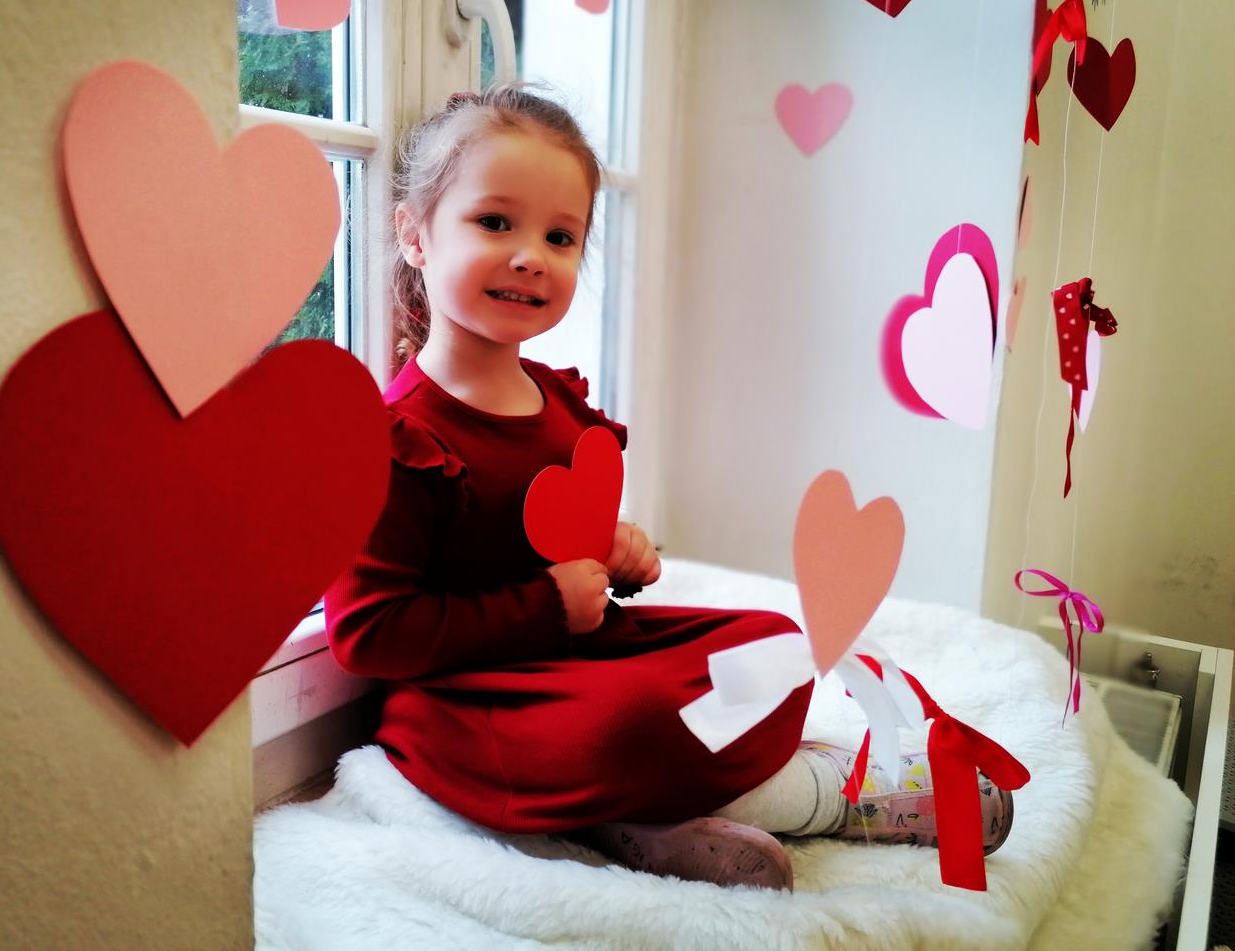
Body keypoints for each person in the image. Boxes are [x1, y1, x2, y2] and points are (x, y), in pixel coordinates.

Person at [324, 85, 1013, 891]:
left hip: (579, 657)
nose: (531, 255)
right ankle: (825, 798)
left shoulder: (559, 402)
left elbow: (550, 541)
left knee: (774, 649)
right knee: (627, 727)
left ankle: (627, 814)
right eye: (495, 222)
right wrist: (542, 608)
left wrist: (617, 556)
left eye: (559, 236)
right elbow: (369, 634)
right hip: (475, 702)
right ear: (415, 236)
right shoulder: (400, 438)